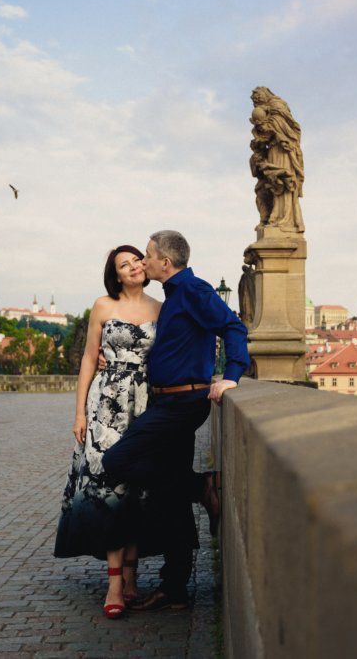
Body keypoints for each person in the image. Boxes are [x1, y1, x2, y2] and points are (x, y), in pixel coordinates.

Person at [103, 230, 250, 612]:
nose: (143, 262)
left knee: (117, 461)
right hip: (169, 400)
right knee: (170, 500)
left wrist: (232, 373)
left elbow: (233, 326)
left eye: (148, 256)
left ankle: (202, 485)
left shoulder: (193, 290)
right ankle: (175, 588)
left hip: (182, 403)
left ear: (165, 263)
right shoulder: (173, 296)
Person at [54, 244, 161, 620]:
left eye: (136, 261)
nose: (132, 267)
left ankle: (132, 578)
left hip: (145, 405)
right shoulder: (103, 305)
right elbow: (88, 357)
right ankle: (115, 582)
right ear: (115, 274)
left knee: (138, 490)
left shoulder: (159, 309)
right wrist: (79, 411)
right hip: (106, 406)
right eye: (123, 264)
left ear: (146, 266)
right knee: (108, 487)